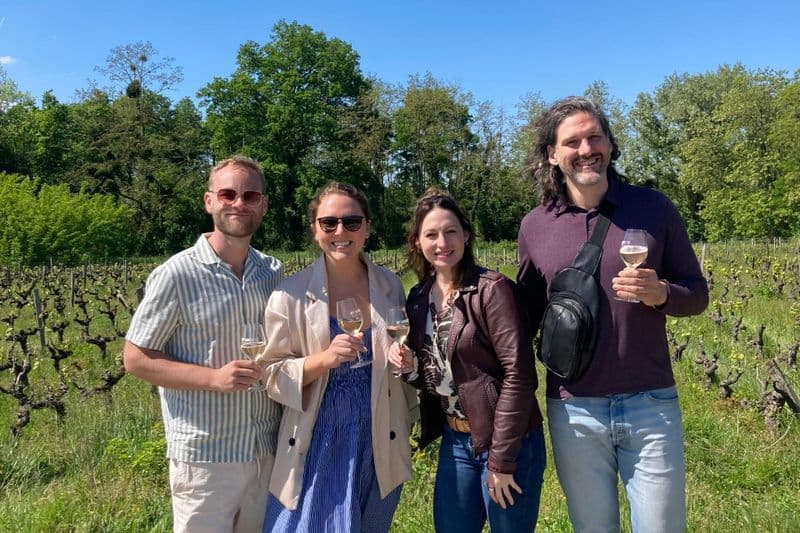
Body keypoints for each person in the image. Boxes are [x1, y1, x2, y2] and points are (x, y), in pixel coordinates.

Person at [517, 96, 709, 532]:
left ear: (610, 143)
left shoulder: (653, 208)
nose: (586, 149)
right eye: (572, 141)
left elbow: (697, 294)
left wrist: (661, 293)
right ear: (552, 154)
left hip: (651, 403)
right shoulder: (535, 225)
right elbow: (527, 314)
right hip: (573, 409)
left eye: (594, 136)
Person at [123, 155, 284, 532]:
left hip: (265, 450)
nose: (238, 203)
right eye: (228, 194)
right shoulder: (175, 274)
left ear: (264, 205)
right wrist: (214, 379)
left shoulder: (273, 273)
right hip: (206, 459)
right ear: (209, 201)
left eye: (250, 195)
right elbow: (136, 358)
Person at [261, 182, 418, 532]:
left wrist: (407, 361)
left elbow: (406, 352)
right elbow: (269, 374)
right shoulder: (291, 294)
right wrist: (323, 360)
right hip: (317, 439)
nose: (340, 231)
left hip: (378, 437)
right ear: (315, 229)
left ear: (367, 227)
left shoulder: (390, 285)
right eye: (328, 223)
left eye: (351, 221)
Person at [389, 191, 546, 533]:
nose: (441, 242)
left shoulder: (491, 290)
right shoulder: (418, 298)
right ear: (418, 243)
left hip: (508, 443)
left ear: (466, 235)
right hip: (456, 442)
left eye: (450, 231)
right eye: (431, 234)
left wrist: (502, 459)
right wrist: (411, 366)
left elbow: (519, 376)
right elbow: (436, 377)